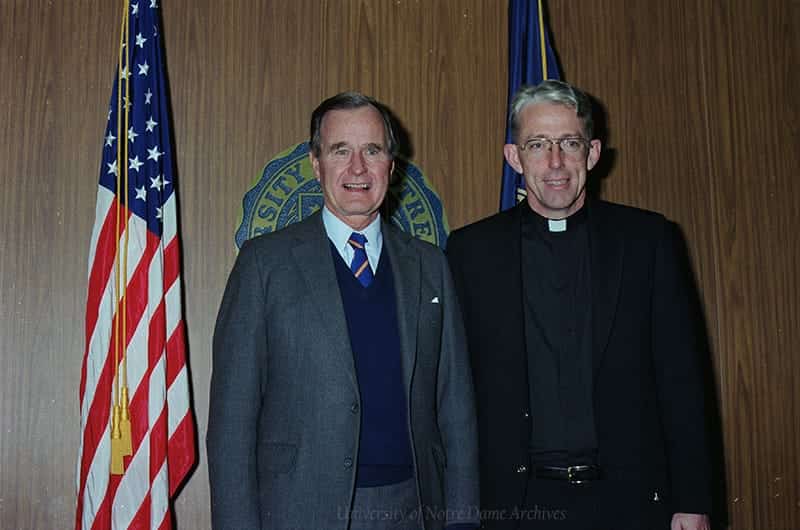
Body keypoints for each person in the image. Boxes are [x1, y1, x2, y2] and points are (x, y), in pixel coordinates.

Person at [446, 80, 711, 530]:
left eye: (569, 143)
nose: (555, 162)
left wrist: (693, 500)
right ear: (514, 157)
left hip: (629, 501)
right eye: (537, 145)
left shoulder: (648, 241)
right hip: (515, 505)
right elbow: (451, 390)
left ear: (592, 153)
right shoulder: (471, 251)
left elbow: (682, 379)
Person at [207, 92, 479, 530]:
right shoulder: (264, 264)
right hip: (299, 511)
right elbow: (231, 424)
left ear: (391, 166)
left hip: (412, 509)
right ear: (316, 165)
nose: (357, 168)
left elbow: (456, 408)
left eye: (372, 150)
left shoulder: (431, 265)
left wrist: (463, 519)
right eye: (340, 151)